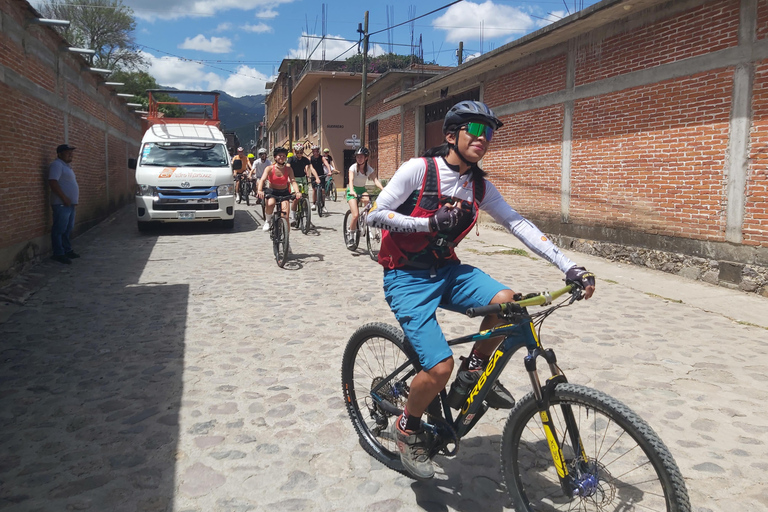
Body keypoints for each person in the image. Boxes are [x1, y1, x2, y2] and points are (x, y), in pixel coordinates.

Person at [366, 100, 596, 479]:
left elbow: (517, 224)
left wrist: (569, 266)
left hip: (448, 270)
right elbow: (377, 213)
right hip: (406, 276)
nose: (482, 138)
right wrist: (428, 224)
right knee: (438, 367)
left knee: (507, 303)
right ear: (451, 135)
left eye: (488, 132)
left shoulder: (478, 185)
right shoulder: (419, 169)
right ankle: (406, 428)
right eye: (474, 130)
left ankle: (472, 374)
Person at [48, 144, 80, 264]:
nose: (70, 154)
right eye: (67, 152)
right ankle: (58, 253)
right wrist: (64, 198)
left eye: (71, 152)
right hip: (61, 203)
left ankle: (67, 250)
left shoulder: (67, 166)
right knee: (59, 229)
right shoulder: (57, 165)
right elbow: (52, 182)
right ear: (60, 154)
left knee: (67, 229)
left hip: (69, 204)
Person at [257, 147, 301, 233]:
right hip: (272, 191)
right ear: (275, 157)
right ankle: (268, 220)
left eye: (284, 156)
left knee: (286, 216)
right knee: (271, 203)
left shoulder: (288, 169)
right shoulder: (269, 168)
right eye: (279, 156)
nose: (281, 157)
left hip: (284, 192)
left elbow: (293, 181)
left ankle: (286, 239)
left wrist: (297, 192)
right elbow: (262, 180)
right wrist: (259, 190)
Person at [346, 147, 383, 247]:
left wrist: (383, 189)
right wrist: (352, 191)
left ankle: (366, 219)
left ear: (366, 158)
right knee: (355, 215)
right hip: (352, 190)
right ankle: (351, 235)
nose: (359, 159)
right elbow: (351, 180)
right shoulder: (353, 168)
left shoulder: (369, 169)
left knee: (368, 200)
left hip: (362, 190)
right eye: (358, 157)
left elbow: (375, 180)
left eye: (361, 157)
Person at [287, 144, 319, 223]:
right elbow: (287, 167)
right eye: (297, 152)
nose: (299, 154)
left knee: (305, 197)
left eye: (301, 152)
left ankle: (306, 217)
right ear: (295, 152)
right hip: (294, 179)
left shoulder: (305, 160)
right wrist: (287, 177)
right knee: (295, 198)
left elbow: (311, 168)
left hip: (303, 179)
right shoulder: (291, 159)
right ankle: (293, 217)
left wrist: (317, 178)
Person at [309, 145, 331, 213]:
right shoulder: (310, 158)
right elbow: (307, 166)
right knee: (314, 189)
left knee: (323, 190)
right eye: (314, 151)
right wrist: (306, 173)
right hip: (314, 176)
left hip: (321, 175)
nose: (315, 152)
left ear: (318, 151)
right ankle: (313, 204)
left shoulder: (322, 158)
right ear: (312, 152)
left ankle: (323, 205)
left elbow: (327, 164)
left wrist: (329, 171)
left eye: (316, 151)